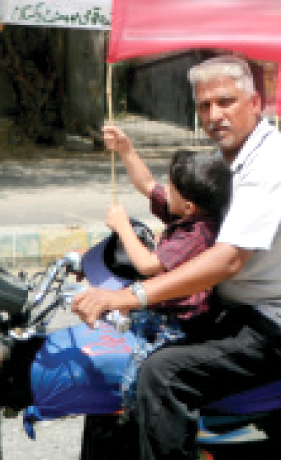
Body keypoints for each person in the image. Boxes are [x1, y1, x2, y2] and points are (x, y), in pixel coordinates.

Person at [72, 55, 281, 460]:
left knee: (162, 374)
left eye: (226, 102)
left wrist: (128, 296)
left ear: (255, 103)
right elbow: (162, 197)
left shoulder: (268, 166)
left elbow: (227, 260)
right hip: (242, 308)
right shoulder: (234, 159)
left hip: (279, 323)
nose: (215, 115)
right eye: (204, 106)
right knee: (122, 359)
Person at [100, 129, 231, 414]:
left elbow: (148, 264)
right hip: (161, 311)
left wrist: (123, 227)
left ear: (188, 204)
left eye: (171, 188)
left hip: (177, 325)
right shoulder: (188, 212)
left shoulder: (197, 233)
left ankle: (135, 417)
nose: (165, 190)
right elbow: (147, 184)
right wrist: (126, 149)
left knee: (137, 376)